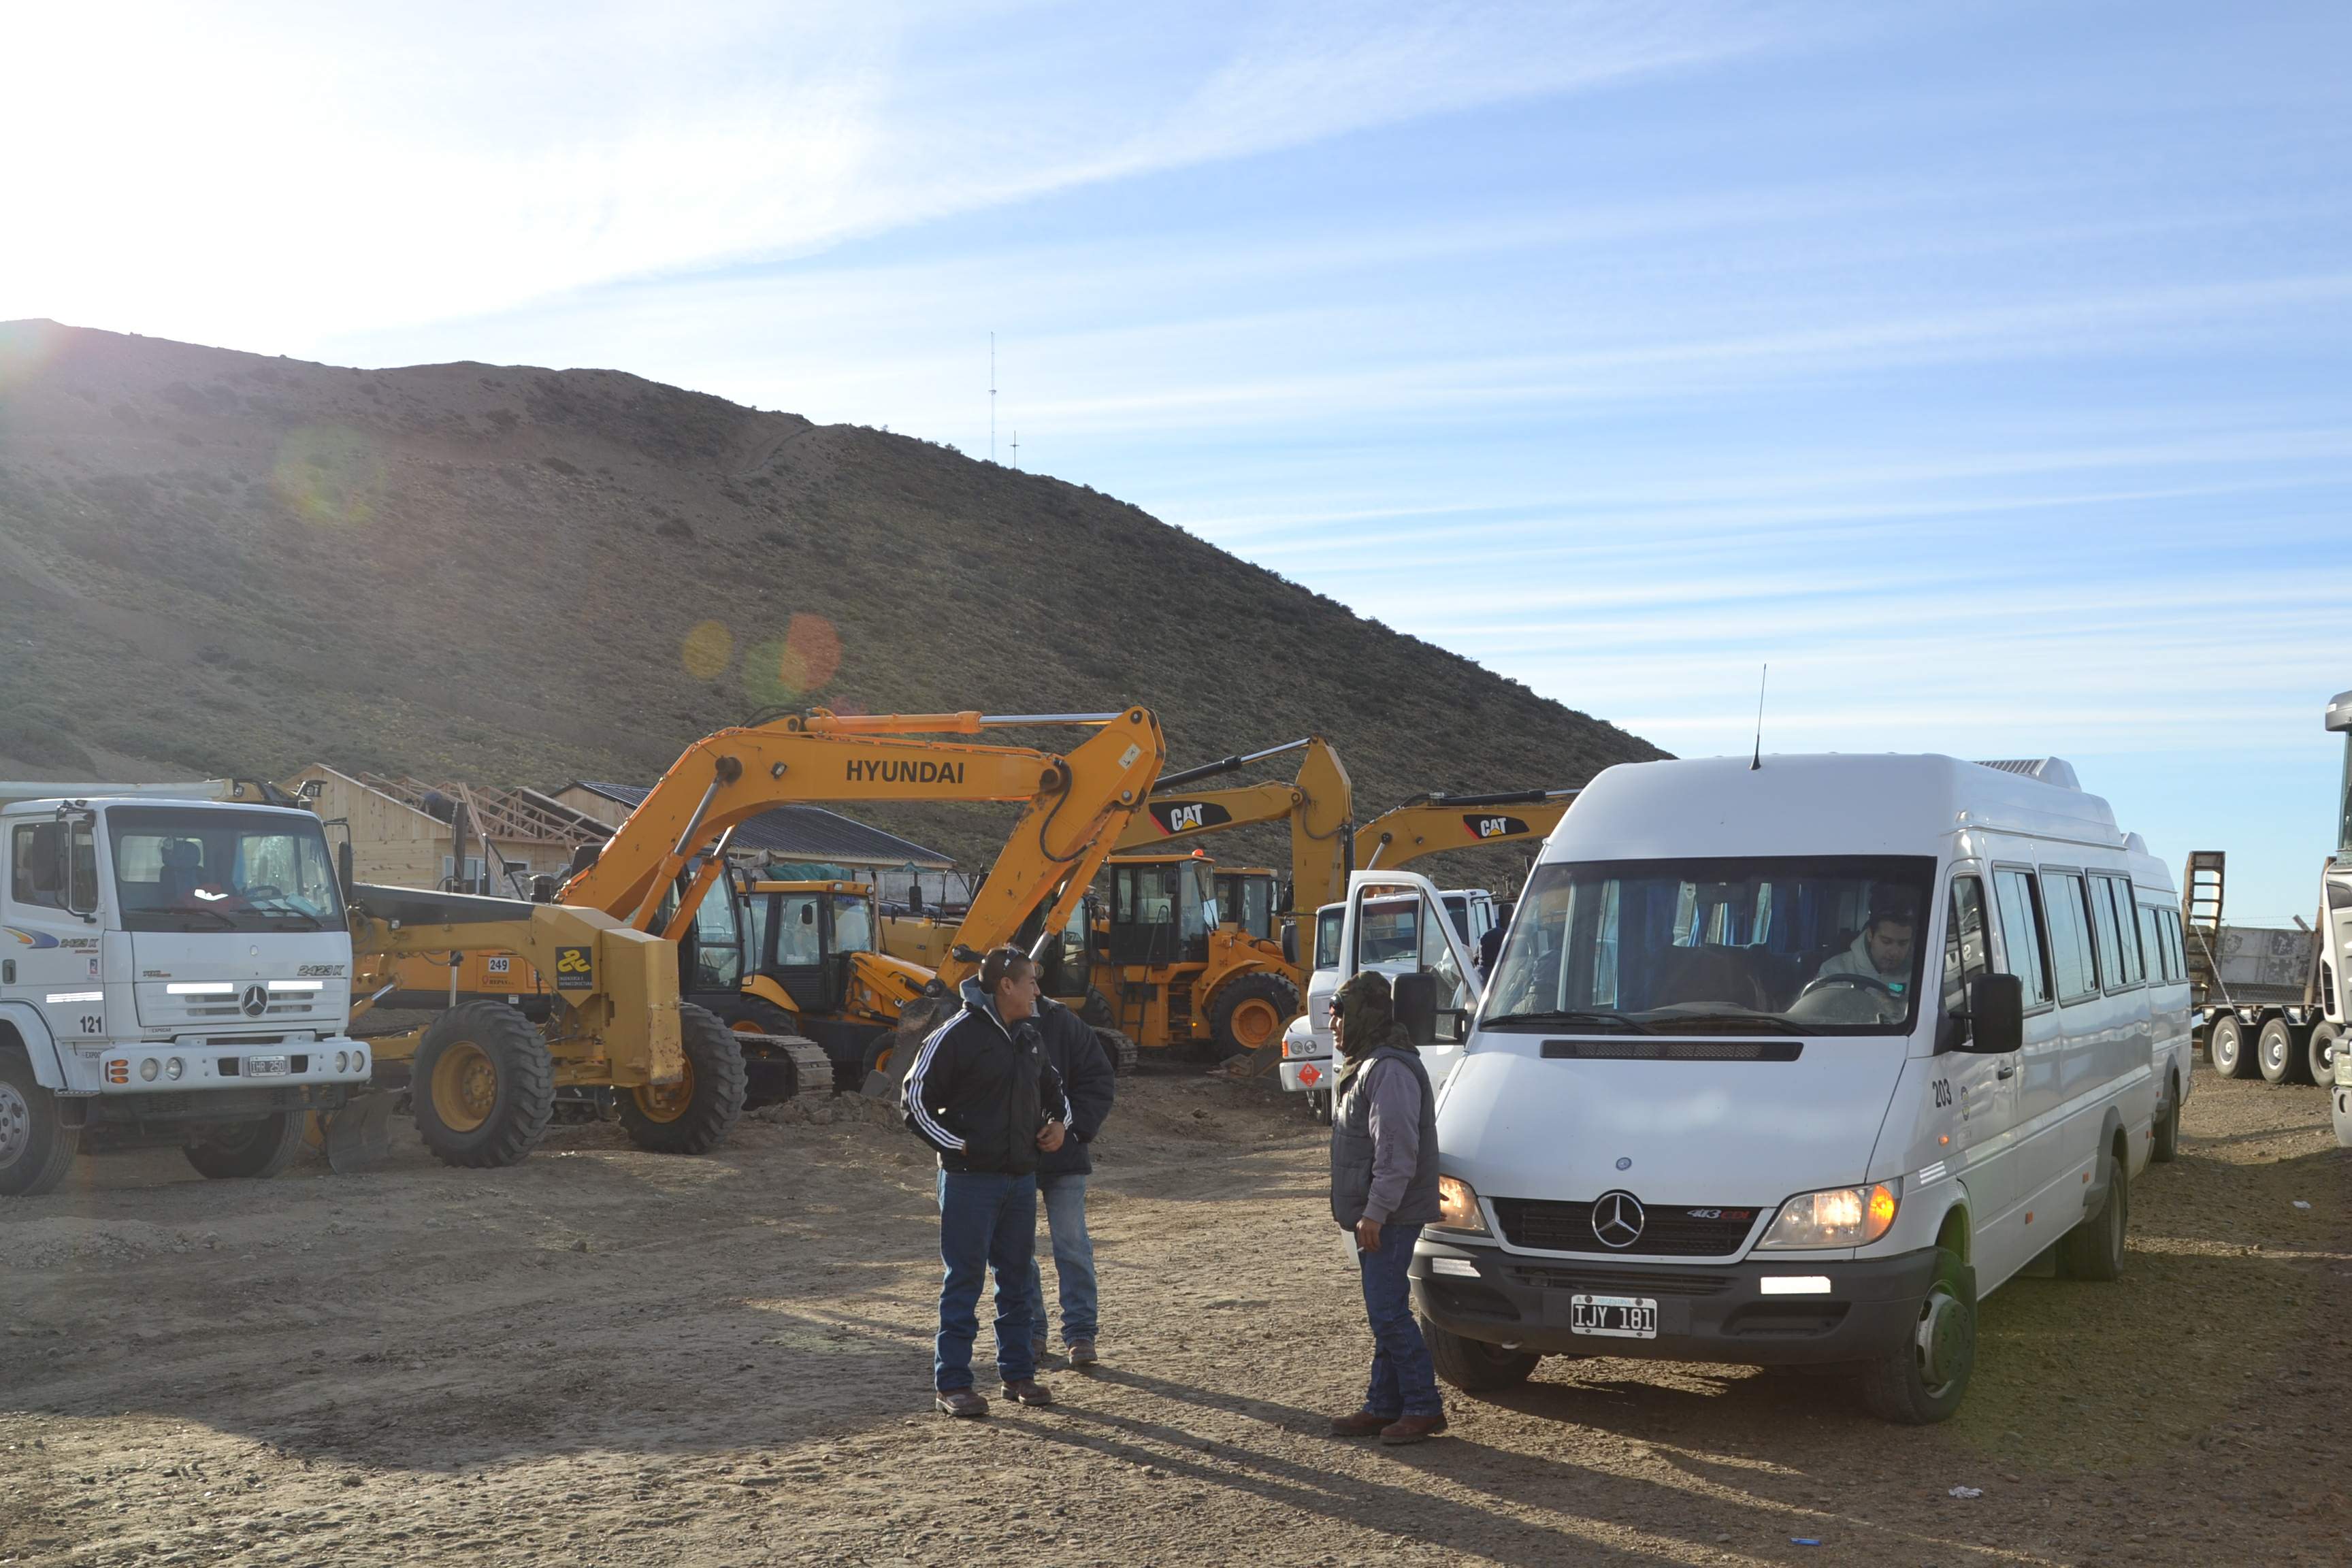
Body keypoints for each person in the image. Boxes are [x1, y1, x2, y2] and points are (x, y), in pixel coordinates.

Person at [902, 946, 1072, 1418]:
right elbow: (913, 1099)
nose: (1038, 990)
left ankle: (1017, 1375)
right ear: (1007, 986)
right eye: (1031, 982)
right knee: (965, 1281)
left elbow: (1054, 1091)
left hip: (1019, 1181)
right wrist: (959, 1147)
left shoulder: (1029, 1037)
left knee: (1017, 1281)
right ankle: (952, 1384)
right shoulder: (954, 1035)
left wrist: (1058, 1124)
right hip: (968, 1184)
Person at [1324, 970, 1447, 1445]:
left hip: (1391, 1216)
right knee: (1386, 1310)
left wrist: (1375, 1211)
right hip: (1379, 1215)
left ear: (1363, 1015)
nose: (1333, 1025)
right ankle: (1383, 1405)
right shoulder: (1368, 1064)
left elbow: (1396, 1152)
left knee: (1388, 1314)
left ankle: (1423, 1407)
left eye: (1339, 1014)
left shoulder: (1389, 1070)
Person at [1024, 991, 1116, 1367]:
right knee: (1017, 1252)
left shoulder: (1063, 1023)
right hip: (1013, 1161)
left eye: (1033, 979)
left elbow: (1097, 1079)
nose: (1031, 987)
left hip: (1065, 1159)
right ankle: (1030, 1332)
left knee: (1072, 1245)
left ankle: (1080, 1334)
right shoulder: (988, 1027)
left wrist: (1071, 1129)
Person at [1815, 894, 1919, 994]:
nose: (1894, 952)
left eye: (1903, 943)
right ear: (1870, 935)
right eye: (1886, 942)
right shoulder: (1833, 971)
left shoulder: (1919, 976)